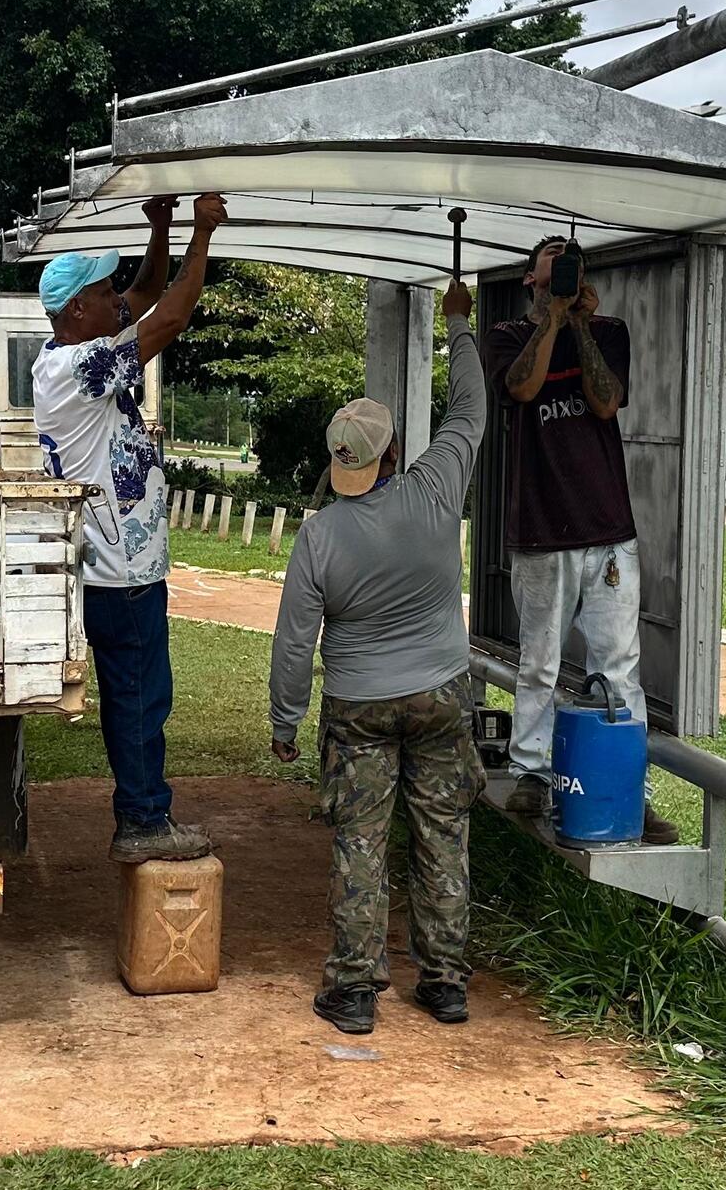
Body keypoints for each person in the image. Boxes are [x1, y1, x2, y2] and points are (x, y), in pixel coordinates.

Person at [268, 278, 486, 1036]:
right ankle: (446, 982)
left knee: (361, 839)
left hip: (357, 706)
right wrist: (458, 324)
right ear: (393, 451)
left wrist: (285, 721)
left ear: (342, 461)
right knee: (442, 832)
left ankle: (355, 990)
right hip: (441, 695)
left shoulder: (321, 535)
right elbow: (469, 410)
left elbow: (296, 637)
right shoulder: (435, 488)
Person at [35, 191, 227, 863]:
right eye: (104, 290)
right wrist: (202, 236)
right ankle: (144, 820)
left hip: (117, 569)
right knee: (141, 699)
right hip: (120, 576)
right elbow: (169, 314)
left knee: (138, 695)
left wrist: (164, 228)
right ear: (76, 311)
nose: (119, 298)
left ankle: (143, 812)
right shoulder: (76, 368)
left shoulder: (75, 352)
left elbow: (145, 292)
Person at [480, 236, 678, 845]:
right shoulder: (509, 335)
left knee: (619, 664)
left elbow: (606, 399)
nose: (561, 282)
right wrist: (553, 321)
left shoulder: (610, 332)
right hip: (541, 528)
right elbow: (521, 388)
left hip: (607, 529)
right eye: (552, 274)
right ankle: (530, 774)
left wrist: (582, 326)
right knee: (539, 659)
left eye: (570, 272)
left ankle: (626, 788)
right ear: (530, 280)